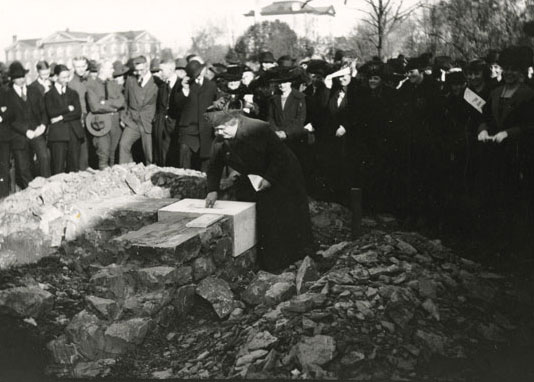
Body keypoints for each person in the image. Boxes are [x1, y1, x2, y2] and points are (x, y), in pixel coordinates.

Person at [205, 110, 314, 272]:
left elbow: (279, 155)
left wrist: (269, 179)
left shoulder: (257, 129)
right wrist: (212, 189)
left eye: (222, 129)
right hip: (258, 176)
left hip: (283, 172)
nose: (219, 133)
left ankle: (297, 256)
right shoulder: (221, 138)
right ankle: (273, 262)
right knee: (266, 215)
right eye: (216, 130)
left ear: (234, 123)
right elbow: (214, 164)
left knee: (286, 213)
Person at [477, 46, 534, 245]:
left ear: (521, 72)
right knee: (493, 193)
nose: (509, 73)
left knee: (514, 196)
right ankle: (494, 238)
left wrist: (508, 133)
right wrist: (483, 130)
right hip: (494, 152)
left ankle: (514, 242)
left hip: (518, 153)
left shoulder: (528, 94)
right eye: (506, 68)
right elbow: (484, 116)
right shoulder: (495, 92)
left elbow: (530, 125)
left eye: (514, 69)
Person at [173, 60, 218, 171]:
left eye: (201, 70)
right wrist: (185, 89)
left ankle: (205, 185)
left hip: (205, 129)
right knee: (184, 160)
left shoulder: (211, 85)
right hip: (187, 129)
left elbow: (216, 105)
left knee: (206, 163)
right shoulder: (181, 85)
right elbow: (177, 105)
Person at [119, 56, 158, 164]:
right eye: (137, 70)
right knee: (123, 145)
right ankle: (123, 171)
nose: (139, 73)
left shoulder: (156, 82)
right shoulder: (130, 81)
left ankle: (151, 175)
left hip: (148, 123)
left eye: (142, 70)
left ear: (147, 67)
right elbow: (125, 100)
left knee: (149, 154)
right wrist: (124, 117)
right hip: (133, 122)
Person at [85, 61, 125, 169]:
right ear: (102, 70)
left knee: (114, 155)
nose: (113, 70)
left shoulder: (113, 84)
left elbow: (121, 101)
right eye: (110, 68)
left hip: (115, 123)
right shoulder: (91, 85)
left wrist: (104, 103)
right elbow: (95, 107)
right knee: (103, 154)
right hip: (100, 123)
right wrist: (113, 106)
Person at [45, 64, 84, 174]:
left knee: (74, 168)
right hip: (58, 135)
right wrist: (67, 108)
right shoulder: (49, 95)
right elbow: (51, 112)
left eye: (67, 77)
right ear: (56, 77)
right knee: (58, 168)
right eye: (63, 77)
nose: (66, 80)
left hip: (74, 133)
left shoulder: (73, 93)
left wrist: (61, 117)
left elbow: (77, 112)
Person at [153, 57, 180, 167]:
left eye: (162, 70)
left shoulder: (181, 85)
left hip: (175, 124)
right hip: (162, 124)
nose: (160, 73)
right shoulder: (163, 86)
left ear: (171, 69)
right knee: (161, 152)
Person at [68, 56, 89, 169]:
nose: (80, 69)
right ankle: (81, 170)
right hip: (79, 117)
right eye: (77, 66)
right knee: (81, 145)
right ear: (74, 67)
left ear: (86, 66)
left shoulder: (88, 80)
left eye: (82, 66)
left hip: (91, 117)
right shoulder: (72, 84)